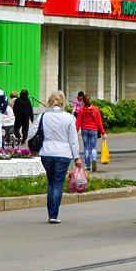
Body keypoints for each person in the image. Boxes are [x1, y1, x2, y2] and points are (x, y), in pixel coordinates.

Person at [36, 90, 81, 224]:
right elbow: (73, 139)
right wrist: (77, 157)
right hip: (63, 153)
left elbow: (33, 132)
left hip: (47, 153)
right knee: (57, 184)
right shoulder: (68, 118)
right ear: (62, 101)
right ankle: (54, 214)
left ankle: (51, 213)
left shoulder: (43, 116)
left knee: (51, 182)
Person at [76, 95, 106, 172]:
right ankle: (94, 159)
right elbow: (99, 122)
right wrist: (103, 133)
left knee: (86, 147)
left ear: (83, 101)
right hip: (94, 130)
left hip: (84, 130)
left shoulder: (82, 110)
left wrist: (75, 132)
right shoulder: (96, 109)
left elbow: (78, 123)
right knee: (93, 147)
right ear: (90, 100)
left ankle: (88, 166)